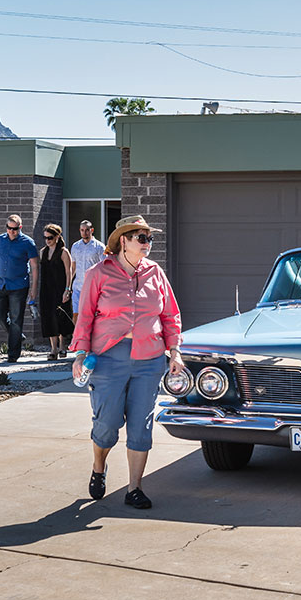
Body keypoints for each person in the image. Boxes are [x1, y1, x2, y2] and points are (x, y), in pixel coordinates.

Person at [70, 215, 185, 510]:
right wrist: (80, 354)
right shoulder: (99, 273)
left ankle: (135, 488)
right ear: (123, 240)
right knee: (107, 425)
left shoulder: (155, 273)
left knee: (140, 426)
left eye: (150, 238)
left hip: (149, 359)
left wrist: (175, 352)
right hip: (109, 358)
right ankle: (99, 466)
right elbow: (84, 317)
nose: (148, 243)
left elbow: (170, 315)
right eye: (142, 238)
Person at [0, 214, 39, 363]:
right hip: (1, 284)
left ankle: (13, 354)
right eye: (9, 228)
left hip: (19, 286)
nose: (11, 232)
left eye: (14, 229)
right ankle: (17, 336)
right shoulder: (0, 240)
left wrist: (34, 289)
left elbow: (35, 266)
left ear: (20, 228)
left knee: (17, 320)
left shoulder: (28, 243)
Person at [38, 224, 75, 359]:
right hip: (46, 289)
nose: (47, 240)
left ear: (57, 237)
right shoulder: (43, 252)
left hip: (60, 288)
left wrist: (67, 289)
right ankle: (53, 349)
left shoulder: (64, 252)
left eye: (50, 237)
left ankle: (62, 347)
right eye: (45, 237)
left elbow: (68, 271)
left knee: (60, 317)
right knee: (48, 318)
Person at [70, 219, 106, 324]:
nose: (84, 232)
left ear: (92, 230)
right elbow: (73, 266)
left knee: (91, 316)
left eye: (87, 230)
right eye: (82, 230)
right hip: (78, 287)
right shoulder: (75, 246)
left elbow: (104, 268)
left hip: (92, 287)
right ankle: (77, 339)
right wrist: (68, 286)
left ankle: (91, 339)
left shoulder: (99, 247)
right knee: (76, 316)